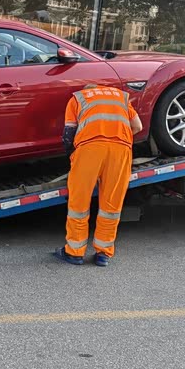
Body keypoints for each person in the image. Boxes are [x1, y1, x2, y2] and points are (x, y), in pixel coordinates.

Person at [54, 84, 142, 267]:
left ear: (87, 89)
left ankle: (74, 253)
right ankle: (103, 254)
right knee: (111, 205)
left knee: (79, 203)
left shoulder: (78, 98)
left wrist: (71, 155)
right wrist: (119, 138)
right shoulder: (121, 97)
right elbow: (138, 126)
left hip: (89, 149)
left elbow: (68, 134)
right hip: (120, 150)